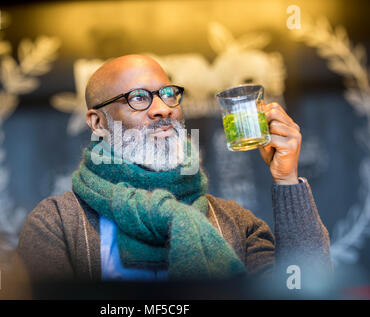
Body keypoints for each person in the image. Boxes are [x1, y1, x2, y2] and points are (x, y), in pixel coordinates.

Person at [17, 54, 331, 287]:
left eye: (168, 94)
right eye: (139, 98)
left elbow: (304, 289)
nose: (163, 108)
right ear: (98, 123)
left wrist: (287, 179)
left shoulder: (236, 223)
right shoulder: (56, 223)